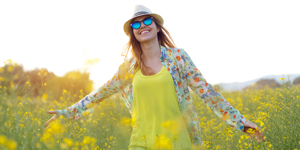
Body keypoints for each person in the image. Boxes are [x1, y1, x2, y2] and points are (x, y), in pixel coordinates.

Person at [45, 5, 265, 150]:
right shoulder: (128, 68)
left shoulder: (178, 57)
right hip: (141, 141)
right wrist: (67, 112)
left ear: (157, 26)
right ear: (133, 33)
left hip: (177, 140)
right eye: (136, 24)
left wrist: (241, 122)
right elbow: (99, 94)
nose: (142, 26)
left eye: (147, 20)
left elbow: (207, 93)